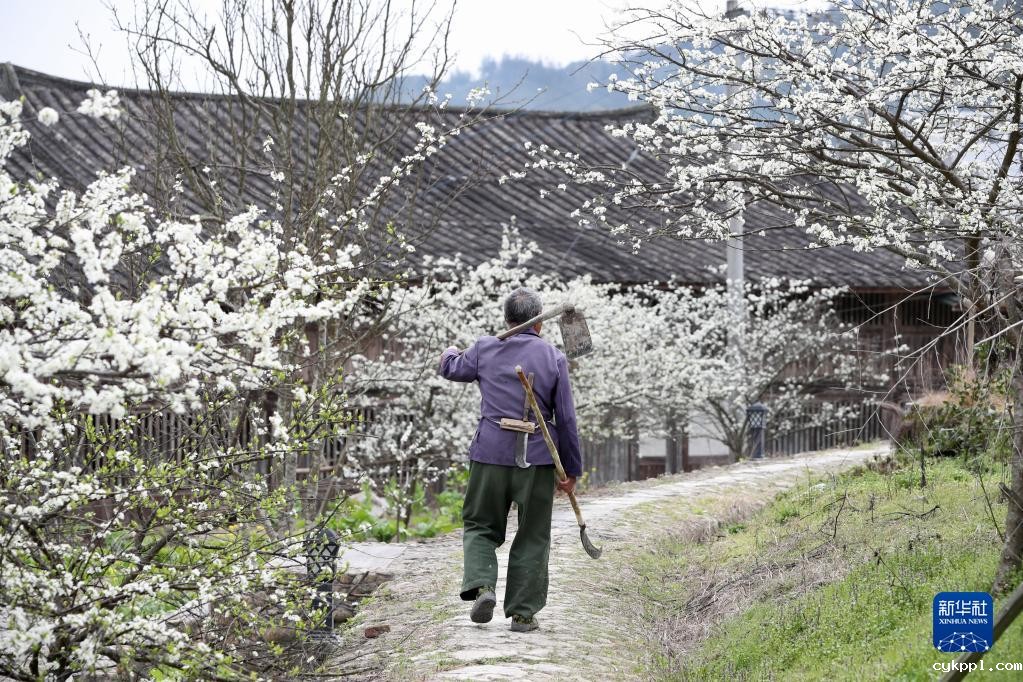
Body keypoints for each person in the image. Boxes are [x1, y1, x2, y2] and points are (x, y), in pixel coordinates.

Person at [438, 287, 582, 633]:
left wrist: (450, 352)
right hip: (537, 459)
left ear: (507, 320)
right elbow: (566, 419)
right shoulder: (553, 357)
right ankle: (522, 614)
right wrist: (572, 469)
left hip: (490, 454)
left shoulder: (485, 347)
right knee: (533, 534)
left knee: (479, 525)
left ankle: (483, 586)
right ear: (539, 324)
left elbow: (450, 368)